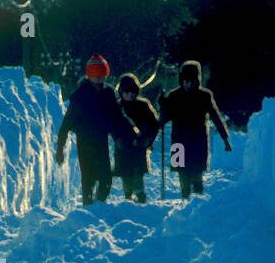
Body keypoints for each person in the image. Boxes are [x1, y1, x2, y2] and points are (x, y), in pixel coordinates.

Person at [55, 55, 139, 204]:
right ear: (89, 76)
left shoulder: (108, 94)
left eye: (102, 75)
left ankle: (99, 203)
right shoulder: (80, 95)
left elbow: (117, 117)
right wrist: (60, 148)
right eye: (96, 75)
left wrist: (130, 130)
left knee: (106, 178)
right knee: (88, 177)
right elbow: (67, 123)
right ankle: (88, 205)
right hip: (85, 141)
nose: (100, 78)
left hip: (101, 141)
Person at [156, 59, 232, 200]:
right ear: (181, 80)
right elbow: (164, 119)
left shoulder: (204, 96)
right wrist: (163, 105)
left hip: (198, 142)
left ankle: (197, 204)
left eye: (192, 81)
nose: (188, 84)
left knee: (197, 174)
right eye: (186, 81)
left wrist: (225, 139)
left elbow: (216, 117)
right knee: (182, 174)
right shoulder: (174, 96)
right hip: (178, 142)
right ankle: (185, 201)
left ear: (197, 80)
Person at [112, 73, 160, 203]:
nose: (130, 95)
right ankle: (128, 197)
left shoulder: (143, 105)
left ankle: (140, 196)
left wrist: (149, 139)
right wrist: (117, 138)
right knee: (125, 174)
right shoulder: (117, 107)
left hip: (139, 146)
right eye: (127, 91)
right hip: (122, 147)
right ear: (121, 91)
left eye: (133, 91)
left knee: (138, 173)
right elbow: (111, 125)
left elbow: (155, 124)